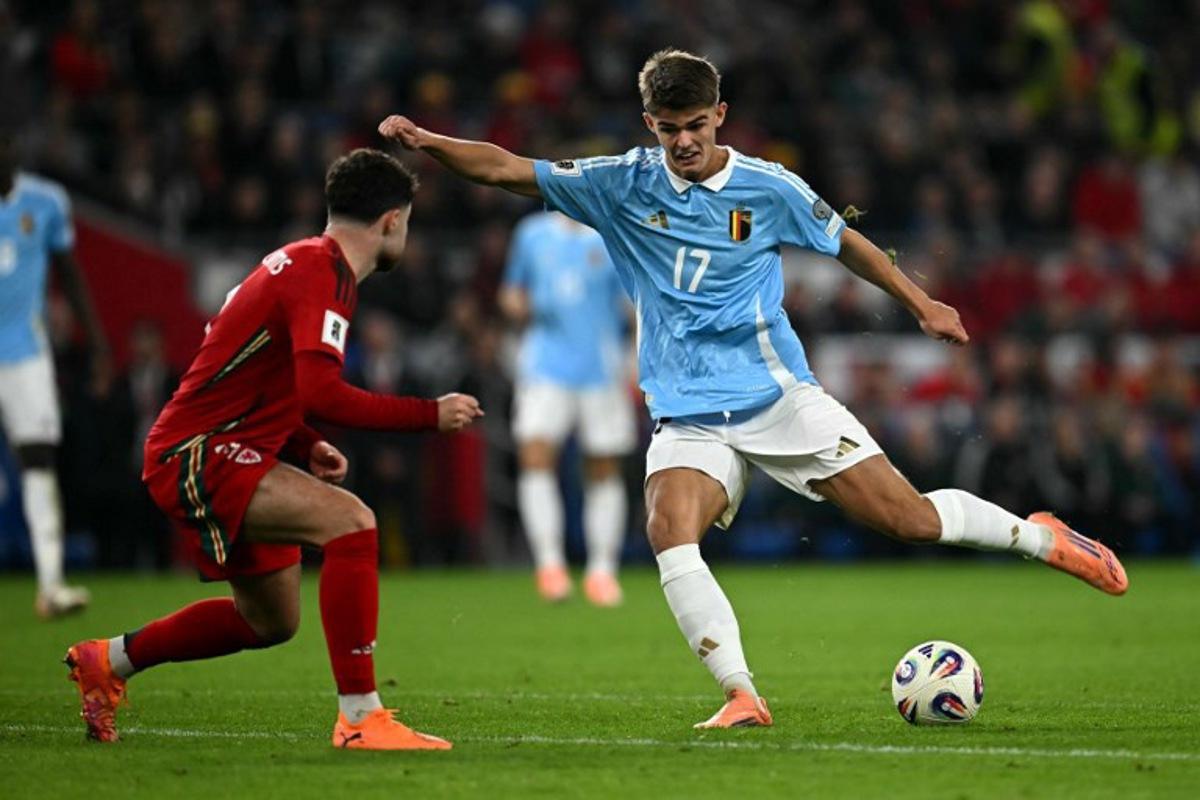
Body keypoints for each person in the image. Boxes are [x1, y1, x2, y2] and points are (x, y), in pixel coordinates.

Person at [379, 48, 1129, 730]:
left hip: (779, 401)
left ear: (721, 117)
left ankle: (1043, 536)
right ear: (651, 123)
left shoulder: (768, 188)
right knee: (669, 530)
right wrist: (431, 144)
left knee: (911, 522)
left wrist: (922, 304)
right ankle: (742, 692)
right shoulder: (618, 185)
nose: (683, 141)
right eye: (669, 127)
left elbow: (848, 243)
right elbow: (510, 168)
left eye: (697, 125)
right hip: (688, 418)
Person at [64, 148, 483, 750]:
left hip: (221, 446)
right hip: (200, 451)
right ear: (392, 220)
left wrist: (303, 442)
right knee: (354, 524)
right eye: (408, 223)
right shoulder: (325, 272)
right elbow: (321, 390)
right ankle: (361, 718)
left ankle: (107, 661)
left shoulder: (295, 261)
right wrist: (428, 414)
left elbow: (244, 363)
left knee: (268, 620)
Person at [499, 210, 634, 606]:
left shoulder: (612, 233)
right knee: (536, 456)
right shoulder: (532, 233)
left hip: (601, 367)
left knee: (603, 466)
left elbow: (633, 304)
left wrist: (639, 362)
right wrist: (516, 307)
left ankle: (602, 572)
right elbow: (511, 290)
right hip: (544, 365)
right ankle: (550, 565)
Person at [0, 127, 108, 619]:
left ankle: (51, 584)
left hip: (25, 353)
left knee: (38, 458)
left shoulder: (45, 202)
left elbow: (70, 273)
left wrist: (99, 345)